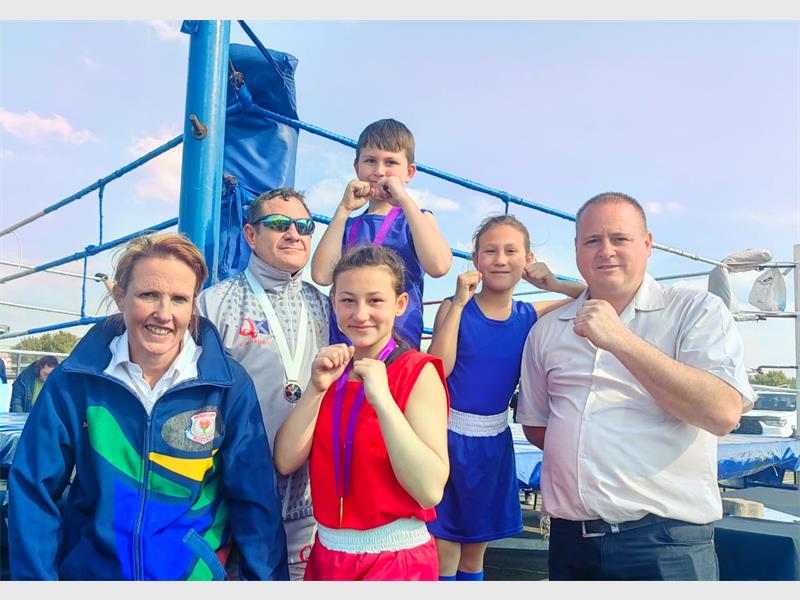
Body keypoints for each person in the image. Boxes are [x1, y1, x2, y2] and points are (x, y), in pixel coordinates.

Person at [8, 232, 289, 581]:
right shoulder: (74, 381)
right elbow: (34, 491)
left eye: (179, 299)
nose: (164, 313)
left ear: (193, 304)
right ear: (120, 295)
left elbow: (256, 504)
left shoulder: (228, 387)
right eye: (149, 295)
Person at [516, 192, 755, 581]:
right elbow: (540, 425)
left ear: (647, 244)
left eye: (620, 239)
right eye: (592, 240)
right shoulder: (548, 330)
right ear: (577, 250)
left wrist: (621, 339)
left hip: (666, 543)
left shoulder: (695, 311)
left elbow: (722, 412)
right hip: (571, 542)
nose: (605, 251)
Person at [274, 245, 450, 581]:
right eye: (348, 300)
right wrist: (315, 388)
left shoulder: (417, 371)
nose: (360, 313)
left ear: (400, 305)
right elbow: (286, 461)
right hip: (327, 555)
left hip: (397, 560)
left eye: (375, 300)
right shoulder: (331, 369)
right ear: (334, 303)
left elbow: (429, 490)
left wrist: (383, 401)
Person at [426, 214, 586, 581]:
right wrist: (459, 305)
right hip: (446, 439)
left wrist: (554, 282)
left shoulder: (529, 315)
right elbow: (438, 367)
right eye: (490, 251)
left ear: (527, 259)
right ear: (476, 259)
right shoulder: (454, 307)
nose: (500, 259)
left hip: (492, 444)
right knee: (443, 550)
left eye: (511, 251)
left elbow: (591, 296)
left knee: (475, 553)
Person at [197, 187, 330, 580]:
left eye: (304, 225)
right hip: (236, 497)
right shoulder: (214, 303)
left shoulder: (325, 304)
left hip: (308, 502)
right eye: (278, 224)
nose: (294, 233)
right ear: (251, 235)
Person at [310, 118, 452, 350]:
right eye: (370, 161)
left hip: (398, 345)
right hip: (346, 347)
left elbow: (439, 266)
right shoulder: (347, 225)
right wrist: (342, 210)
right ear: (357, 167)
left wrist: (405, 201)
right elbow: (322, 275)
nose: (379, 171)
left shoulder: (417, 219)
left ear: (409, 172)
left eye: (390, 162)